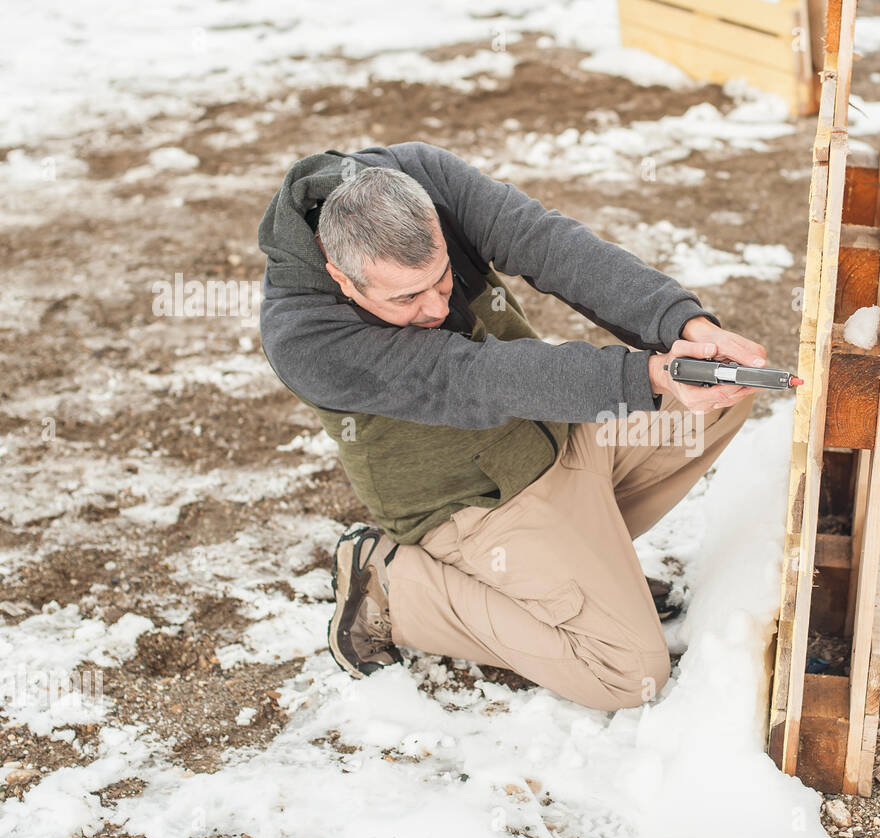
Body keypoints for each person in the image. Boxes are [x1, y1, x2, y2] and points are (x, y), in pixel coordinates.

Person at [256, 141, 766, 711]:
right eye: (406, 298)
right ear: (342, 279)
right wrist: (649, 374)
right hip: (477, 501)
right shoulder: (304, 337)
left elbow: (548, 244)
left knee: (721, 391)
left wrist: (683, 323)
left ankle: (577, 571)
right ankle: (391, 585)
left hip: (553, 430)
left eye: (442, 279)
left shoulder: (419, 177)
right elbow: (478, 379)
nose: (434, 308)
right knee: (625, 673)